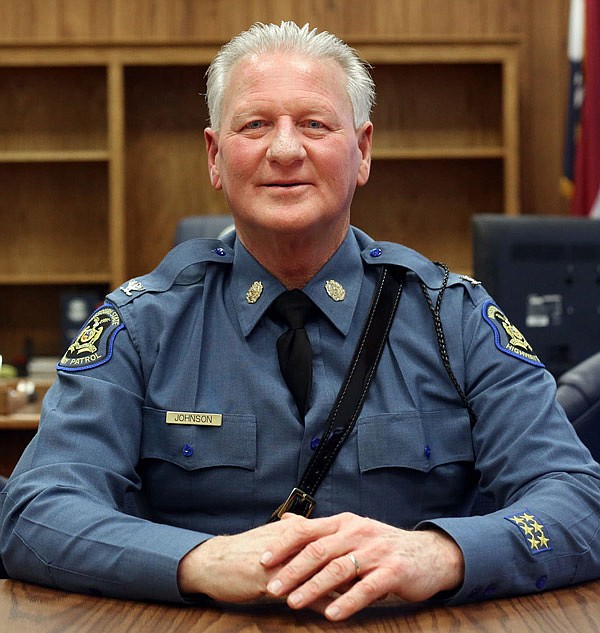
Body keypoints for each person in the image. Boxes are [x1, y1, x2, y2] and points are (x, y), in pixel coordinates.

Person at [1, 21, 600, 622]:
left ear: (362, 151)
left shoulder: (457, 319)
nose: (285, 150)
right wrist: (198, 561)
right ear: (215, 156)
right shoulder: (141, 325)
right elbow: (37, 511)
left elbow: (580, 501)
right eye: (255, 124)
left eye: (314, 124)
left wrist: (439, 553)